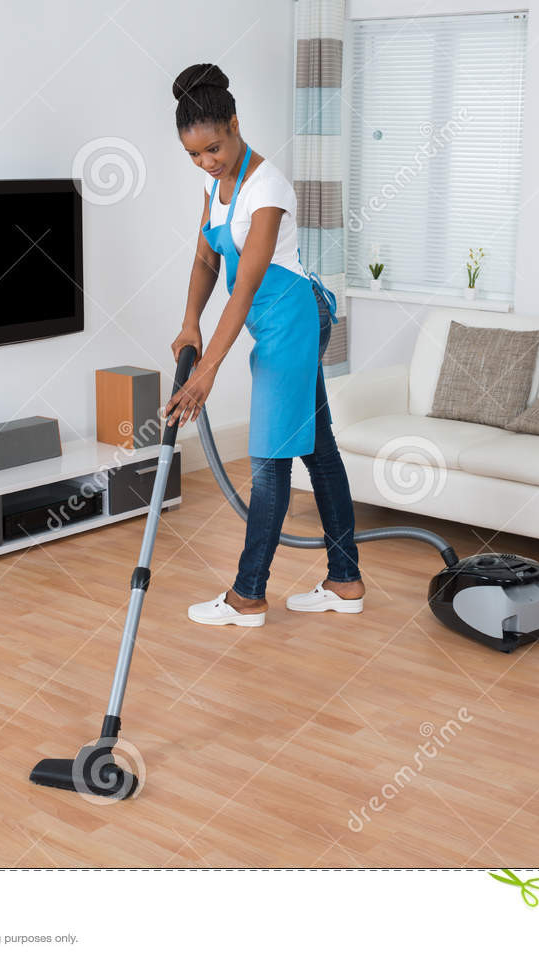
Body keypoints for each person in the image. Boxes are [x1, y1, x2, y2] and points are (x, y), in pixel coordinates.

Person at [163, 63, 363, 628]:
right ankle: (345, 580)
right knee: (318, 450)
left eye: (214, 147)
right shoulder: (213, 183)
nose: (207, 162)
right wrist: (189, 325)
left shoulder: (268, 188)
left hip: (295, 318)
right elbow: (207, 255)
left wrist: (209, 372)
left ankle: (248, 595)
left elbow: (246, 282)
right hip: (267, 321)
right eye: (195, 155)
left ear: (234, 123)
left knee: (270, 460)